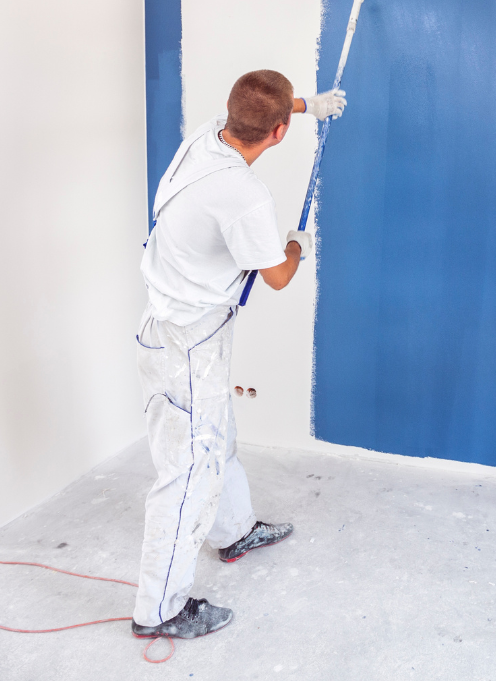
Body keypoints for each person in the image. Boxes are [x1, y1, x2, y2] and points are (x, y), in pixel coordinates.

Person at [130, 70, 346, 639]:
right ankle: (158, 611)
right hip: (188, 341)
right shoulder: (246, 196)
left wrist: (309, 106)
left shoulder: (205, 138)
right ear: (278, 133)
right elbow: (277, 275)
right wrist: (297, 244)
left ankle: (233, 533)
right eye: (287, 116)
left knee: (216, 439)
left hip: (175, 324)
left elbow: (262, 105)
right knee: (187, 473)